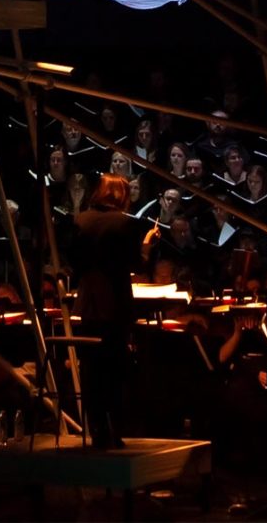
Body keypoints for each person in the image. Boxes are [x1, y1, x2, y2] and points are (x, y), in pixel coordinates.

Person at [65, 173, 154, 447]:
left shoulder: (81, 220)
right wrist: (147, 246)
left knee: (92, 368)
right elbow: (136, 264)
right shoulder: (124, 223)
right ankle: (114, 431)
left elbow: (73, 261)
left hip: (89, 303)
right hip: (115, 303)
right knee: (114, 369)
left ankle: (97, 430)